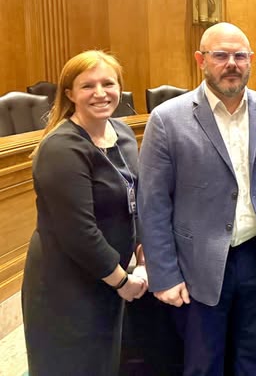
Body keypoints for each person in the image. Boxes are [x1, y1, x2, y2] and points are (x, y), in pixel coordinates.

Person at [138, 22, 256, 376]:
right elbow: (153, 204)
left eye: (240, 56)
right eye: (221, 55)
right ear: (201, 60)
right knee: (203, 364)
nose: (232, 64)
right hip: (197, 264)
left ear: (251, 59)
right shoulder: (167, 119)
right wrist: (164, 275)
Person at [22, 50, 148, 376]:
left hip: (108, 276)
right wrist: (122, 281)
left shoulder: (122, 133)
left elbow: (135, 198)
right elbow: (78, 232)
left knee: (107, 362)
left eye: (108, 83)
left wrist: (142, 253)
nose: (100, 93)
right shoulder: (61, 148)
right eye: (88, 86)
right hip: (68, 285)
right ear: (69, 94)